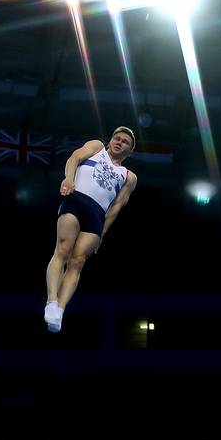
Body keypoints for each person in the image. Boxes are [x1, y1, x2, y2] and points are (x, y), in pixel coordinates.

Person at [44, 126, 138, 332]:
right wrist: (69, 179)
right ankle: (51, 300)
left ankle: (60, 309)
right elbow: (74, 158)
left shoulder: (129, 177)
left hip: (97, 216)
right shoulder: (97, 147)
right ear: (111, 140)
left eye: (125, 142)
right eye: (117, 138)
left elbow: (116, 207)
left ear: (130, 151)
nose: (119, 142)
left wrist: (102, 233)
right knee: (63, 250)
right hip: (76, 200)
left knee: (77, 262)